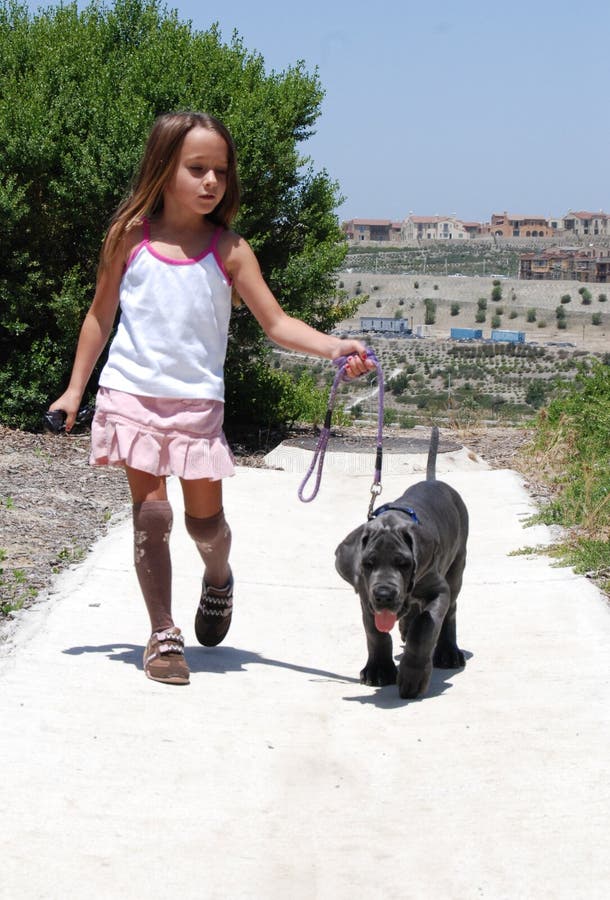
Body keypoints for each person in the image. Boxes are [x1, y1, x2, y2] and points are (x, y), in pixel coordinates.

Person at [50, 110, 374, 686]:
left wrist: (334, 348)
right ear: (162, 168)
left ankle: (218, 577)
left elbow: (276, 323)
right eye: (196, 169)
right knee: (152, 516)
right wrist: (75, 389)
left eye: (220, 172)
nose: (210, 183)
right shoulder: (129, 237)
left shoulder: (231, 250)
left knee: (206, 527)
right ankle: (163, 634)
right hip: (130, 394)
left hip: (197, 404)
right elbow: (100, 315)